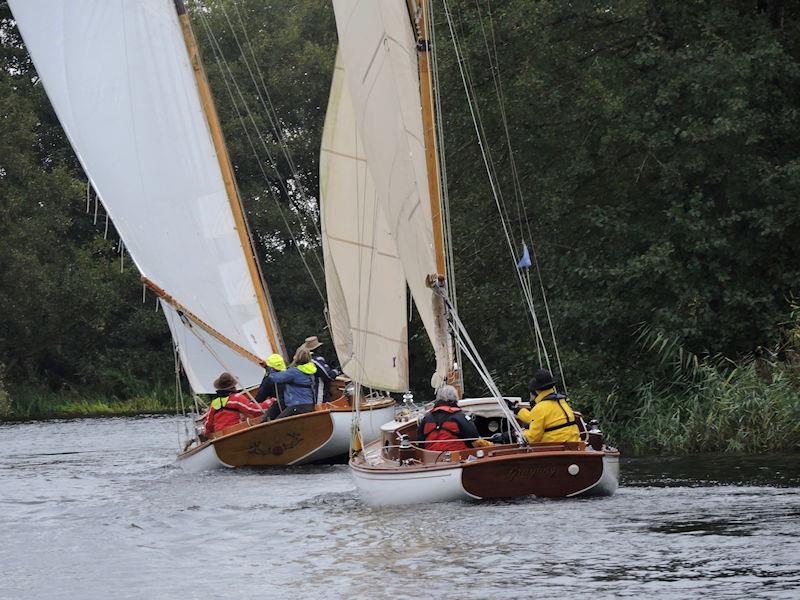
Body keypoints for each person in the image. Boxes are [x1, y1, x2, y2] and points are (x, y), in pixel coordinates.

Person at [514, 368, 581, 444]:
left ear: (535, 391)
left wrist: (519, 433)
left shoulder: (540, 408)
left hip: (555, 448)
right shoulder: (561, 402)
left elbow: (532, 438)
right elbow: (538, 419)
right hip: (574, 445)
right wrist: (518, 411)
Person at [258, 346, 318, 419]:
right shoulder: (310, 371)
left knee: (277, 423)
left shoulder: (293, 372)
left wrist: (268, 369)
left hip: (297, 406)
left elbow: (275, 378)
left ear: (297, 358)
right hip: (309, 405)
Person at [417, 385, 480, 451]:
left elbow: (420, 440)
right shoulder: (459, 416)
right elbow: (474, 436)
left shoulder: (427, 418)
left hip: (431, 456)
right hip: (456, 455)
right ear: (455, 397)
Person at [203, 372, 264, 437]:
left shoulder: (214, 403)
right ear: (233, 387)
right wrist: (270, 403)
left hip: (220, 435)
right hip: (236, 431)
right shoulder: (236, 397)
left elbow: (208, 424)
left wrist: (207, 433)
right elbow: (253, 409)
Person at [301, 335, 341, 404]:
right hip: (319, 392)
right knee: (321, 406)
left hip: (313, 393)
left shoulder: (307, 361)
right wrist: (338, 370)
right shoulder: (315, 361)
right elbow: (328, 376)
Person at [255, 353, 287, 421]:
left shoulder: (269, 379)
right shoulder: (289, 374)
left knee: (264, 421)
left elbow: (259, 398)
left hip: (280, 408)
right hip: (294, 404)